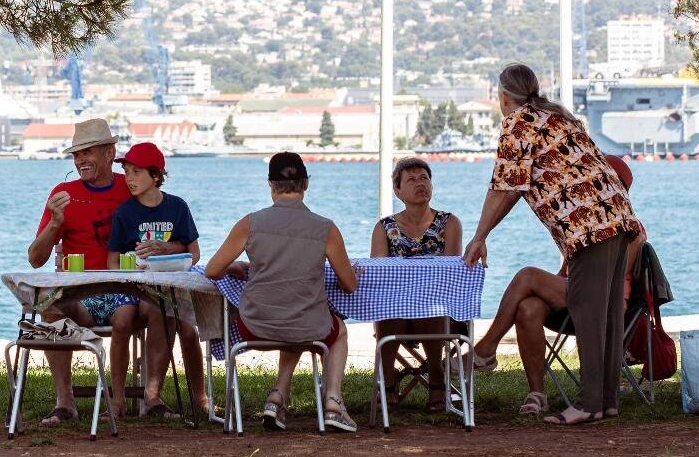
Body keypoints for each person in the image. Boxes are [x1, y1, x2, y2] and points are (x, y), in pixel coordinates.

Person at [463, 63, 643, 426]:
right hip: (617, 217)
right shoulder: (558, 117)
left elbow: (505, 187)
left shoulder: (518, 123)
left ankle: (589, 403)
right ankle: (606, 401)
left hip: (587, 225)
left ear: (502, 97)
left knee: (589, 314)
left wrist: (480, 236)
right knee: (605, 315)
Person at [469, 155, 639, 416]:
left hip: (600, 305)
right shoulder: (582, 222)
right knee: (528, 307)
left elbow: (604, 281)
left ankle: (486, 347)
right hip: (571, 295)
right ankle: (537, 393)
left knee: (527, 276)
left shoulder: (628, 228)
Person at [202, 151, 360, 432]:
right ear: (306, 184)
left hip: (255, 324)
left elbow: (212, 270)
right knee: (335, 328)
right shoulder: (326, 228)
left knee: (293, 320)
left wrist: (235, 266)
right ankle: (333, 401)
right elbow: (349, 285)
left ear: (271, 184)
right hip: (307, 325)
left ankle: (277, 397)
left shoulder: (250, 223)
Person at [25, 116, 135, 427]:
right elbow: (35, 259)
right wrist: (56, 224)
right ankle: (65, 402)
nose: (80, 160)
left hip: (125, 289)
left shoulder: (130, 189)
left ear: (109, 154)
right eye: (76, 154)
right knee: (49, 307)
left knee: (164, 311)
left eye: (87, 152)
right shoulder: (63, 192)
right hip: (81, 293)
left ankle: (148, 398)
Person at [105, 141, 216, 423]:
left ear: (156, 176)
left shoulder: (177, 207)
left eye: (136, 172)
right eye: (127, 171)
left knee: (172, 317)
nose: (128, 179)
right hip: (132, 286)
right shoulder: (125, 212)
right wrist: (135, 263)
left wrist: (166, 249)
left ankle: (157, 396)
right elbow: (112, 261)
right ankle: (117, 400)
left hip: (167, 287)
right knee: (122, 320)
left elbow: (194, 254)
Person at [367, 155, 464, 408]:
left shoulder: (449, 223)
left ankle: (436, 379)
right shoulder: (384, 228)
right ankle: (387, 380)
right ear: (398, 191)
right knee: (388, 306)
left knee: (431, 306)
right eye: (411, 180)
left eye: (424, 178)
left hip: (439, 307)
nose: (420, 183)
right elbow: (379, 275)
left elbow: (451, 272)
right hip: (396, 307)